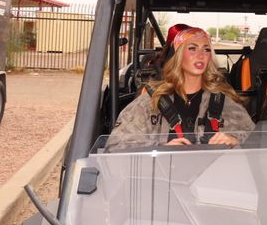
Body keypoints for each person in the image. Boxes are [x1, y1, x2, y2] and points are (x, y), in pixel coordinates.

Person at [107, 27, 255, 150]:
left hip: (212, 183)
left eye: (206, 49)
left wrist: (235, 143)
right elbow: (115, 147)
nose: (201, 55)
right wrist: (160, 149)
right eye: (192, 48)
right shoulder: (152, 100)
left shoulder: (224, 101)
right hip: (161, 182)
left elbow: (258, 147)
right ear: (178, 55)